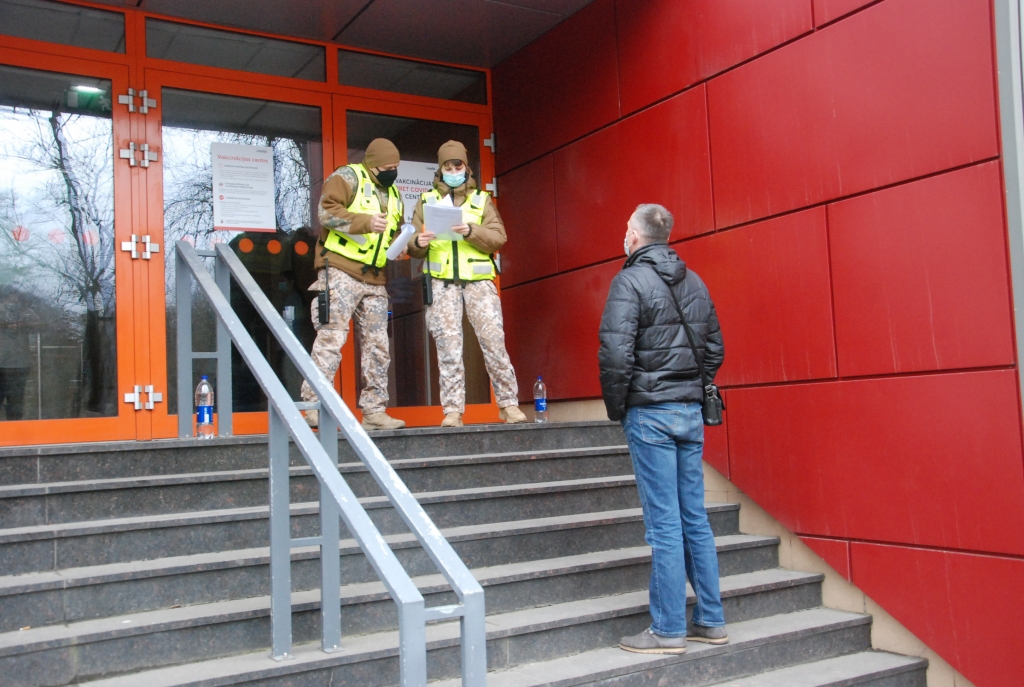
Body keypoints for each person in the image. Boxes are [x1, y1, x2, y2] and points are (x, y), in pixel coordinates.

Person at [598, 204, 727, 654]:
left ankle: (668, 628)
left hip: (649, 413)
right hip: (690, 413)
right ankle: (710, 619)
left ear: (634, 234)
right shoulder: (695, 280)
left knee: (665, 525)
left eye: (625, 229)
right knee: (694, 517)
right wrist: (691, 385)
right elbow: (715, 348)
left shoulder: (629, 280)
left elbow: (616, 354)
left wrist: (621, 408)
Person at [407, 141, 527, 427]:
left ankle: (509, 405)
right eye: (447, 166)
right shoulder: (426, 201)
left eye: (457, 165)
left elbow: (499, 238)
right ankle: (452, 411)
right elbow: (411, 242)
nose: (452, 170)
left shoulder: (482, 200)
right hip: (441, 283)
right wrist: (418, 242)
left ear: (466, 167)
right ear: (440, 169)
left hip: (478, 282)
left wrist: (471, 230)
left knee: (494, 343)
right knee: (448, 347)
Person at [301, 138, 406, 431]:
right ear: (373, 164)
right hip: (340, 271)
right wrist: (365, 222)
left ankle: (374, 411)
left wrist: (405, 243)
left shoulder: (396, 193)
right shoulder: (347, 177)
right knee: (331, 340)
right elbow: (326, 212)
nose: (392, 171)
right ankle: (312, 406)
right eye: (388, 166)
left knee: (377, 347)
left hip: (375, 278)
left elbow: (392, 233)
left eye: (396, 167)